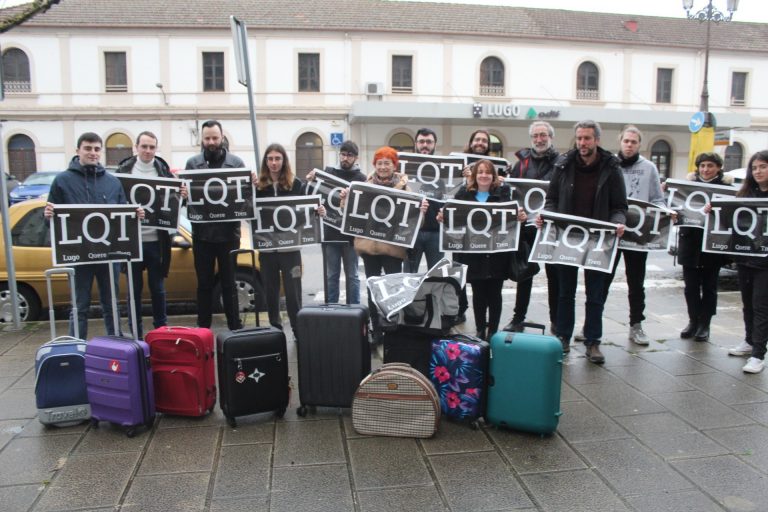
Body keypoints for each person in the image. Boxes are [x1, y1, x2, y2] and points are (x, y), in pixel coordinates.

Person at [537, 120, 627, 363]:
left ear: (597, 140)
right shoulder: (563, 165)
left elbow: (620, 206)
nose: (582, 143)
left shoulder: (612, 167)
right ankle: (563, 337)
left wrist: (618, 223)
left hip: (599, 240)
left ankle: (593, 341)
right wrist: (547, 216)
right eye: (579, 138)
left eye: (587, 138)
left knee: (595, 294)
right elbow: (551, 199)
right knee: (566, 292)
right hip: (568, 238)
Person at [579, 126, 666, 346]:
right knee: (602, 281)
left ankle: (636, 325)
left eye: (633, 142)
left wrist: (666, 213)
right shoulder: (608, 164)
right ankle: (591, 326)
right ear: (620, 142)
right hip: (611, 233)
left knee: (636, 282)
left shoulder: (649, 168)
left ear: (639, 144)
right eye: (626, 141)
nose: (629, 145)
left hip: (637, 236)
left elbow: (657, 199)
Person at [45, 132, 134, 339]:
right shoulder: (62, 181)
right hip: (79, 256)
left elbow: (122, 216)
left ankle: (115, 345)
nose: (92, 153)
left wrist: (134, 214)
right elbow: (52, 221)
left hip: (108, 255)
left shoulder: (112, 182)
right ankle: (76, 348)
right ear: (78, 151)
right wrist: (48, 215)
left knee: (111, 303)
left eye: (96, 149)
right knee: (79, 306)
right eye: (88, 148)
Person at [340, 146, 428, 338]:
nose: (383, 167)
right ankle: (376, 328)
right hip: (369, 247)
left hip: (393, 249)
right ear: (375, 165)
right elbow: (350, 215)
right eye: (379, 163)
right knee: (372, 288)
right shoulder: (363, 185)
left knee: (393, 290)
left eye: (387, 163)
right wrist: (345, 201)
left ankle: (393, 324)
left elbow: (414, 224)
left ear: (394, 165)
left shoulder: (405, 188)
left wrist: (421, 211)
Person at [439, 159, 526, 340]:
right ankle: (480, 329)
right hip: (474, 253)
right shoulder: (464, 193)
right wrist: (443, 217)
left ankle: (493, 330)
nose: (484, 175)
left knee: (495, 293)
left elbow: (511, 220)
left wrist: (520, 217)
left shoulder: (502, 194)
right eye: (480, 172)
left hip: (497, 254)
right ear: (474, 175)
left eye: (488, 172)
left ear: (493, 176)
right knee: (478, 293)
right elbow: (452, 215)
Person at [116, 131, 187, 339]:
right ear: (136, 148)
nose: (148, 151)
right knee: (133, 293)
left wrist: (181, 196)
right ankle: (136, 335)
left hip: (157, 242)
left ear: (156, 149)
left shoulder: (164, 173)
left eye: (152, 147)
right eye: (144, 146)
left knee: (158, 290)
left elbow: (172, 208)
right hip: (132, 244)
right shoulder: (124, 171)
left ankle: (161, 333)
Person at [255, 143, 323, 338]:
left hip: (291, 249)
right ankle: (275, 328)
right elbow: (249, 210)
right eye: (270, 159)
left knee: (293, 292)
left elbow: (307, 210)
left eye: (278, 158)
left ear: (284, 161)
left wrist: (318, 211)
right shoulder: (258, 186)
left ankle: (296, 328)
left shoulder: (296, 184)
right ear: (265, 162)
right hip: (267, 249)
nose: (274, 163)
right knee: (271, 290)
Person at [185, 120, 245, 332]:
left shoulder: (237, 164)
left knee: (230, 284)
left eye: (215, 138)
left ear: (222, 138)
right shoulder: (192, 164)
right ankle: (203, 330)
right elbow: (187, 202)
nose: (211, 142)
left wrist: (251, 184)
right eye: (207, 138)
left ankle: (235, 328)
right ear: (202, 139)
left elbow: (245, 199)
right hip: (202, 236)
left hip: (229, 235)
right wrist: (183, 195)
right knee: (204, 285)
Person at [502, 121, 560, 333]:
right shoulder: (522, 163)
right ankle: (518, 318)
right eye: (535, 136)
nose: (539, 139)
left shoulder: (560, 163)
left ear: (550, 137)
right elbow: (514, 192)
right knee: (524, 274)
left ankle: (556, 321)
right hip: (527, 227)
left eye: (543, 135)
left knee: (555, 276)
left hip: (552, 228)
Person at [677, 152, 733, 343]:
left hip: (712, 244)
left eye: (710, 165)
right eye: (702, 166)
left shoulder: (726, 189)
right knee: (690, 287)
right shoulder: (686, 188)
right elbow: (676, 207)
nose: (706, 169)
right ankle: (693, 321)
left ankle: (705, 324)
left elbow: (731, 217)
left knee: (709, 286)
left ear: (718, 168)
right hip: (690, 241)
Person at [306, 140, 365, 304]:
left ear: (356, 158)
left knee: (352, 275)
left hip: (350, 237)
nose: (345, 158)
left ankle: (354, 309)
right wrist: (310, 181)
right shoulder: (329, 172)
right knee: (332, 274)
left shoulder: (361, 178)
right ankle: (332, 308)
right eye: (343, 154)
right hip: (330, 233)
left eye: (350, 155)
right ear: (339, 154)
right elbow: (314, 196)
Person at [728, 150, 768, 374]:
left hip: (765, 262)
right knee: (748, 304)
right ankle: (749, 340)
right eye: (754, 168)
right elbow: (731, 220)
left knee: (761, 306)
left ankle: (758, 354)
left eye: (763, 166)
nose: (758, 171)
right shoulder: (745, 194)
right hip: (745, 258)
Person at [405, 128, 445, 273]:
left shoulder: (445, 171)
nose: (425, 145)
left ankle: (432, 298)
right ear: (416, 144)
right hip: (412, 231)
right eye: (421, 141)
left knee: (436, 277)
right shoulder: (406, 168)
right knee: (409, 275)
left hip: (436, 232)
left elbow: (450, 197)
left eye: (429, 142)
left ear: (435, 145)